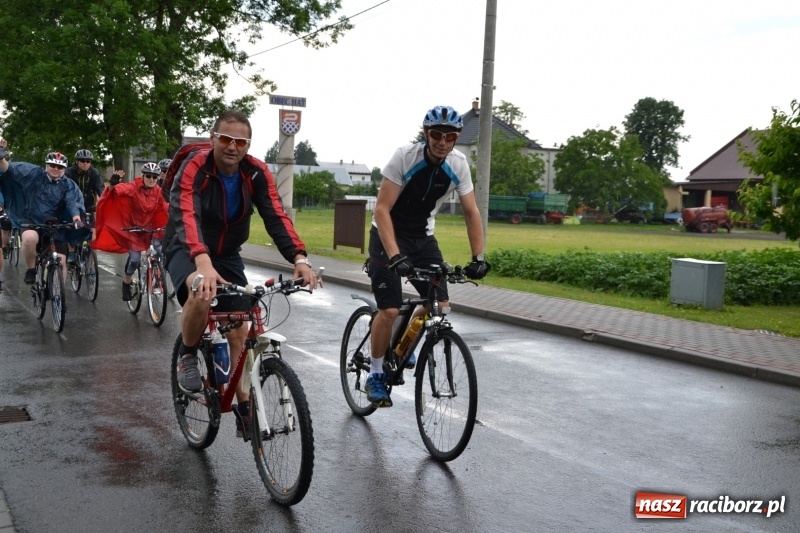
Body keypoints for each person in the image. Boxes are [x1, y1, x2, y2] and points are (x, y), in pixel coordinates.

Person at [164, 109, 316, 436]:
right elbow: (186, 213)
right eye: (226, 139)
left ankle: (245, 406)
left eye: (241, 142)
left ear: (248, 145)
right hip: (185, 246)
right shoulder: (196, 167)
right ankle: (187, 355)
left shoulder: (256, 173)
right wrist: (202, 261)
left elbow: (275, 215)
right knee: (201, 292)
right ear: (213, 139)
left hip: (228, 253)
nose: (233, 147)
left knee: (239, 330)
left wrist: (299, 258)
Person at [364, 105, 491, 407]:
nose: (442, 142)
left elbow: (471, 211)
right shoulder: (404, 157)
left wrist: (478, 257)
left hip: (422, 237)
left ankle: (403, 345)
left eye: (450, 137)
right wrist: (395, 256)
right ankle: (376, 373)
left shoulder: (458, 164)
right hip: (387, 235)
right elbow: (381, 209)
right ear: (426, 134)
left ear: (456, 138)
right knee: (390, 310)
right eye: (436, 135)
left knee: (440, 305)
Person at [0, 140, 86, 287]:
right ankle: (31, 270)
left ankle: (58, 292)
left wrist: (76, 217)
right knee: (29, 238)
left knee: (61, 261)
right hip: (32, 221)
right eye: (52, 165)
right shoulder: (33, 174)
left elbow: (72, 201)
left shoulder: (68, 184)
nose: (56, 169)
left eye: (60, 167)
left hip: (56, 226)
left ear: (64, 169)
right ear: (46, 165)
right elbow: (9, 169)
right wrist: (1, 156)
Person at [93, 162, 168, 301]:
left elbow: (166, 206)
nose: (151, 179)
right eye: (148, 176)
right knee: (135, 259)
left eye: (155, 177)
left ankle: (155, 277)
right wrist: (113, 184)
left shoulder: (159, 191)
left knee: (159, 252)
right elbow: (116, 192)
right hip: (133, 230)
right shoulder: (133, 188)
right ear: (143, 176)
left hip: (149, 229)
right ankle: (126, 281)